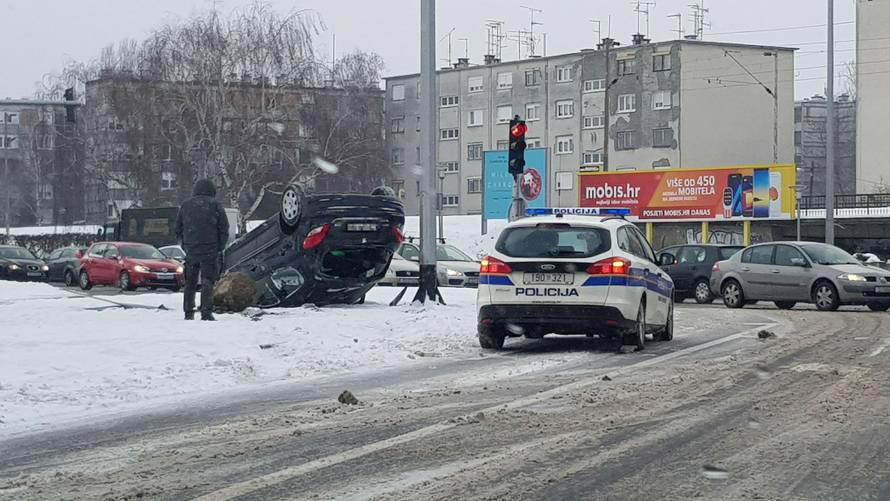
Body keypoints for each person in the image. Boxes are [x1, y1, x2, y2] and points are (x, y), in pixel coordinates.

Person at [175, 178, 230, 321]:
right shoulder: (215, 205)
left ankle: (188, 312)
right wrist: (219, 247)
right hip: (210, 251)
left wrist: (186, 246)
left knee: (190, 283)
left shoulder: (186, 206)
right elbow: (224, 228)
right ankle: (206, 312)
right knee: (207, 281)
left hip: (191, 251)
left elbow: (177, 229)